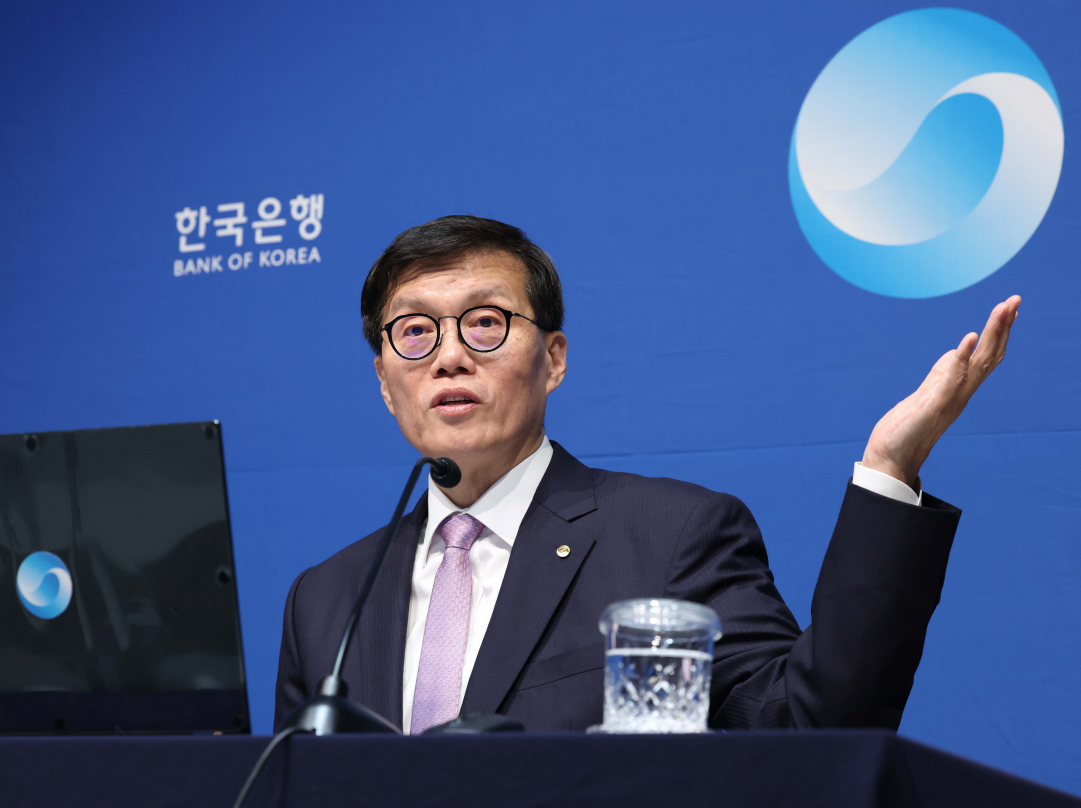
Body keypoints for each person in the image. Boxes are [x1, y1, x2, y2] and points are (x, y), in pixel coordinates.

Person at [274, 215, 1020, 734]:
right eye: (414, 332)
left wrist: (890, 469)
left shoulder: (670, 537)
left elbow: (806, 726)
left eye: (485, 323)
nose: (449, 356)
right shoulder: (326, 600)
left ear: (554, 359)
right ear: (384, 380)